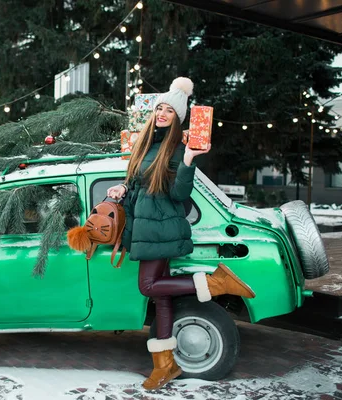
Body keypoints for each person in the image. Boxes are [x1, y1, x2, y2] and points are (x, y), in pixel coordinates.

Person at [107, 77, 256, 391]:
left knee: (148, 285)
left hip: (159, 228)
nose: (162, 113)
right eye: (160, 108)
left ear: (178, 118)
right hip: (144, 225)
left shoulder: (175, 148)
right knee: (162, 297)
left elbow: (178, 194)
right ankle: (166, 366)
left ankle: (217, 282)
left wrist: (188, 160)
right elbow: (136, 183)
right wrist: (123, 187)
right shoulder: (145, 144)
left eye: (169, 111)